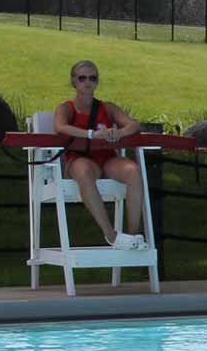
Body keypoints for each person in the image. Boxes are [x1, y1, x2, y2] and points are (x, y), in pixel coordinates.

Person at [52, 58, 147, 248]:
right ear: (73, 81)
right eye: (82, 78)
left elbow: (134, 124)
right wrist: (91, 134)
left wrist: (119, 132)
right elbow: (60, 127)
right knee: (85, 170)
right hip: (79, 159)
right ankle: (110, 235)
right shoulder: (66, 108)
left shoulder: (108, 107)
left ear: (97, 82)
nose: (87, 82)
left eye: (92, 78)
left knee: (133, 170)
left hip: (106, 159)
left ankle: (131, 236)